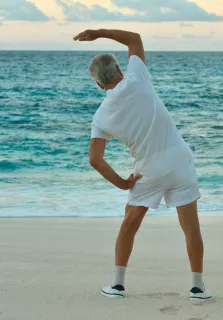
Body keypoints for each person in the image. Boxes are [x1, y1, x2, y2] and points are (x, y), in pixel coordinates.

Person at [73, 29, 211, 301]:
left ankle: (117, 285)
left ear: (99, 85)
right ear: (119, 72)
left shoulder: (101, 117)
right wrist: (98, 33)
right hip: (180, 162)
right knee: (191, 227)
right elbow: (134, 38)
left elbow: (95, 160)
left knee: (129, 225)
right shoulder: (137, 79)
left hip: (148, 171)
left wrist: (123, 183)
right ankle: (197, 288)